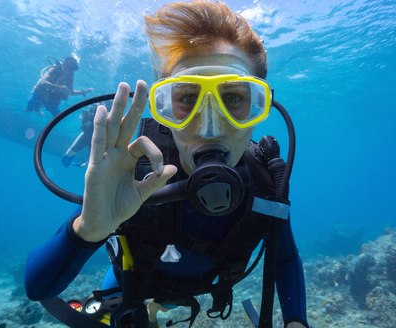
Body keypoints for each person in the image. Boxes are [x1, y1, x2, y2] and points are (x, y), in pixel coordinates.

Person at [25, 1, 308, 328]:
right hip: (131, 285)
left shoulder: (265, 184)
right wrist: (89, 228)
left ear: (260, 106)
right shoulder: (135, 173)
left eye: (233, 98)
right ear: (164, 110)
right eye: (187, 99)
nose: (209, 127)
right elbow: (37, 288)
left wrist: (296, 322)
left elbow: (285, 259)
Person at [25, 56, 94, 116]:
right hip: (41, 95)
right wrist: (60, 88)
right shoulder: (54, 69)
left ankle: (39, 109)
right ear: (64, 64)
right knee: (28, 109)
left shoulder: (70, 78)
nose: (69, 70)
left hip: (52, 100)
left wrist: (83, 91)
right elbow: (43, 83)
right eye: (68, 66)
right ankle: (38, 109)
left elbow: (70, 92)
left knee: (58, 116)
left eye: (72, 68)